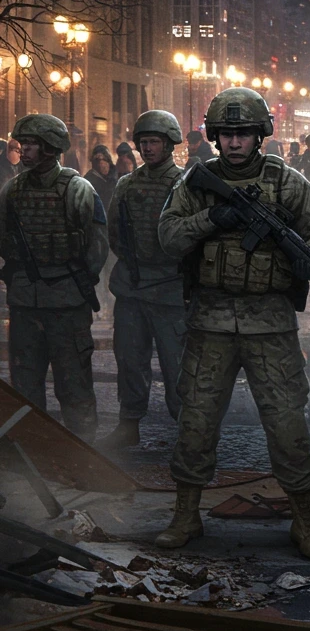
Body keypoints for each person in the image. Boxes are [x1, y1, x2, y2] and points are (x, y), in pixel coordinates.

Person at [156, 87, 310, 561]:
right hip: (210, 321)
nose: (234, 143)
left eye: (244, 133)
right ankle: (185, 514)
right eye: (227, 134)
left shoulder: (291, 184)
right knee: (196, 420)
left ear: (261, 135)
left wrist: (290, 245)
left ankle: (304, 519)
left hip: (271, 324)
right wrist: (214, 217)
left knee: (287, 423)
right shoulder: (196, 184)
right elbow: (169, 237)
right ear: (214, 136)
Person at [0, 114, 108, 440]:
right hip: (25, 304)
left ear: (50, 148)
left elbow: (97, 247)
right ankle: (35, 453)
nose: (25, 150)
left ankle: (83, 454)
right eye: (23, 144)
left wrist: (71, 278)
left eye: (31, 144)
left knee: (73, 382)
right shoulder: (12, 190)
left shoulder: (78, 189)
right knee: (26, 383)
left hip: (66, 303)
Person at [101, 111, 187, 450]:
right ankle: (129, 423)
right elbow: (114, 234)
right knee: (130, 360)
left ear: (167, 144)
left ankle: (187, 429)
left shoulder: (184, 184)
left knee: (175, 366)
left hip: (170, 290)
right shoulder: (127, 184)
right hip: (133, 288)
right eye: (143, 142)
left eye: (153, 142)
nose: (147, 148)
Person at [84, 145, 118, 214]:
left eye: (107, 160)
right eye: (100, 160)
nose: (106, 165)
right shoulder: (90, 180)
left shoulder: (109, 179)